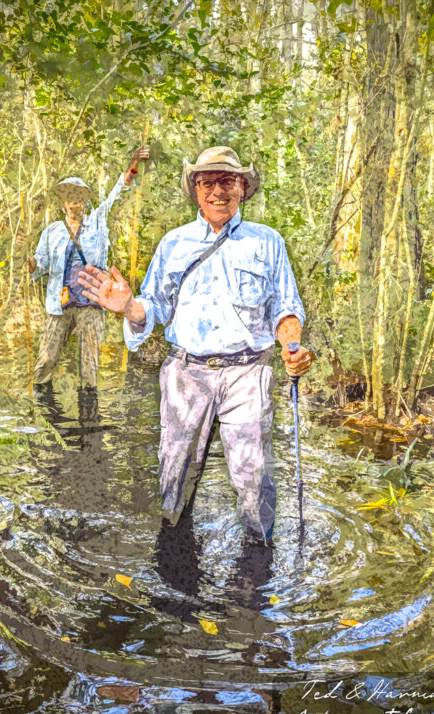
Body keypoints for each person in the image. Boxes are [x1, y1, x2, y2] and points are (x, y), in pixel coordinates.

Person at [79, 146, 312, 545]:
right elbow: (152, 307)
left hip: (248, 373)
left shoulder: (267, 241)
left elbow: (285, 309)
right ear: (196, 190)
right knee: (175, 479)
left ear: (242, 188)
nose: (218, 191)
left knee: (254, 481)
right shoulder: (173, 243)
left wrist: (292, 349)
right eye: (208, 182)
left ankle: (259, 563)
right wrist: (128, 307)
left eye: (227, 181)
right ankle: (173, 558)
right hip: (186, 373)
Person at [29, 146, 150, 391]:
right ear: (63, 204)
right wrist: (25, 258)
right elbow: (38, 268)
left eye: (79, 199)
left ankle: (88, 412)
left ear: (85, 203)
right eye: (70, 200)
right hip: (60, 306)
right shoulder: (52, 232)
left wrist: (134, 164)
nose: (75, 204)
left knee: (88, 370)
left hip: (91, 305)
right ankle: (44, 409)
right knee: (45, 362)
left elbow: (119, 191)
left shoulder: (97, 222)